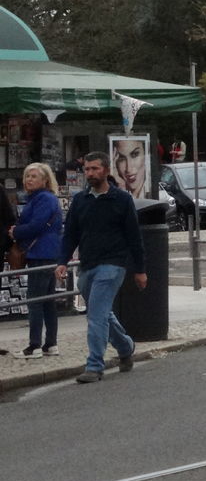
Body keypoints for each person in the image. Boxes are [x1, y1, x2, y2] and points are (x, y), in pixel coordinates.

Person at [58, 151, 146, 383]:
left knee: (95, 315)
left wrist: (140, 269)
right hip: (88, 265)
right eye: (87, 169)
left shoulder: (122, 200)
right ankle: (126, 347)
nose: (90, 173)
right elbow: (71, 235)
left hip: (113, 265)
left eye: (95, 169)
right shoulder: (80, 201)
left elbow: (134, 237)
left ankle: (94, 365)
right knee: (102, 312)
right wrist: (62, 261)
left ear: (106, 171)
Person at [9, 163, 65, 359]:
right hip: (48, 253)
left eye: (33, 176)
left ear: (45, 180)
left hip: (41, 254)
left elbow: (36, 225)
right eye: (26, 176)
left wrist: (16, 231)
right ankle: (50, 344)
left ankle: (34, 346)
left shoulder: (43, 198)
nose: (28, 180)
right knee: (47, 301)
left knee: (35, 301)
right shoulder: (44, 198)